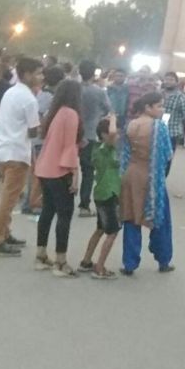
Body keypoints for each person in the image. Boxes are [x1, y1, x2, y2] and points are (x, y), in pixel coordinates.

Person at [0, 57, 43, 257]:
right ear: (27, 74)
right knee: (9, 199)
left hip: (3, 150)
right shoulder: (29, 99)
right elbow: (33, 131)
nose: (41, 77)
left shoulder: (10, 92)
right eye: (38, 73)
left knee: (9, 196)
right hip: (17, 153)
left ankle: (5, 232)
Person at [119, 92, 174, 275]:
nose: (162, 109)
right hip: (152, 176)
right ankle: (163, 260)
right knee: (160, 220)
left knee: (131, 218)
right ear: (148, 107)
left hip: (132, 174)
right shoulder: (159, 127)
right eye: (159, 106)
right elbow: (167, 155)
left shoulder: (131, 125)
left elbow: (125, 154)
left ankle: (129, 264)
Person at [34, 79, 82, 276]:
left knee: (47, 212)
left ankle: (40, 255)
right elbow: (69, 146)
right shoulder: (71, 114)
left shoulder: (54, 113)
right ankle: (60, 262)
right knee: (65, 214)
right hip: (60, 170)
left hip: (45, 167)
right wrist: (74, 174)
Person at [77, 114, 121, 279]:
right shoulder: (106, 148)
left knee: (101, 229)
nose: (117, 136)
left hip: (101, 193)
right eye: (114, 134)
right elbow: (112, 133)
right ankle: (100, 267)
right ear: (104, 135)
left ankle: (86, 261)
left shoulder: (96, 148)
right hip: (109, 193)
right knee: (112, 231)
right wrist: (113, 118)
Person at [21, 64, 65, 214]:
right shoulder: (48, 97)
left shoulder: (43, 95)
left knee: (35, 173)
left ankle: (29, 202)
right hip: (41, 139)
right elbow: (40, 117)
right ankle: (33, 203)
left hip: (38, 139)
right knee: (39, 174)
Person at [78, 59, 111, 217]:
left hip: (72, 133)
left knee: (67, 169)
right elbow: (108, 108)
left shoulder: (73, 89)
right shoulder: (98, 91)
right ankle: (84, 205)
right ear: (94, 74)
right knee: (88, 171)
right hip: (90, 133)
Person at [162, 71, 185, 169]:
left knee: (167, 159)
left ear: (176, 82)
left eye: (171, 80)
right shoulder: (159, 94)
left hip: (171, 132)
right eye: (166, 79)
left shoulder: (181, 97)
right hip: (156, 131)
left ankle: (163, 177)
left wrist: (178, 122)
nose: (168, 81)